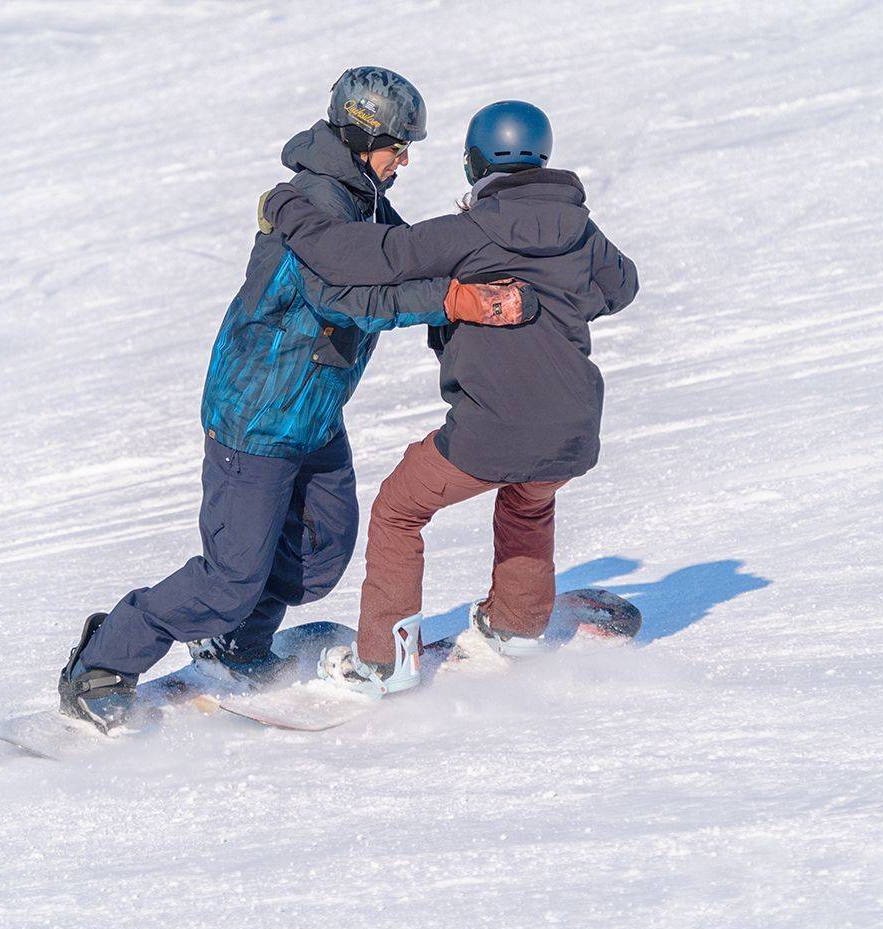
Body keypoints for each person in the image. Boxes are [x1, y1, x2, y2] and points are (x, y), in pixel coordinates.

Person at [59, 70, 538, 731]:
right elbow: (345, 299)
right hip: (257, 418)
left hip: (313, 415)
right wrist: (450, 300)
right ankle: (101, 663)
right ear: (362, 136)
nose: (404, 161)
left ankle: (235, 643)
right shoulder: (316, 206)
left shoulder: (364, 200)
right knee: (230, 579)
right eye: (398, 146)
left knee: (319, 558)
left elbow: (411, 255)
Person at [259, 100, 639, 695]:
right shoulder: (582, 233)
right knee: (529, 502)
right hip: (572, 429)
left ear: (474, 163)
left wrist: (286, 208)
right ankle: (517, 628)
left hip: (491, 431)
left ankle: (385, 662)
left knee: (398, 510)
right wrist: (559, 301)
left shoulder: (469, 233)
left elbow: (361, 257)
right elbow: (622, 286)